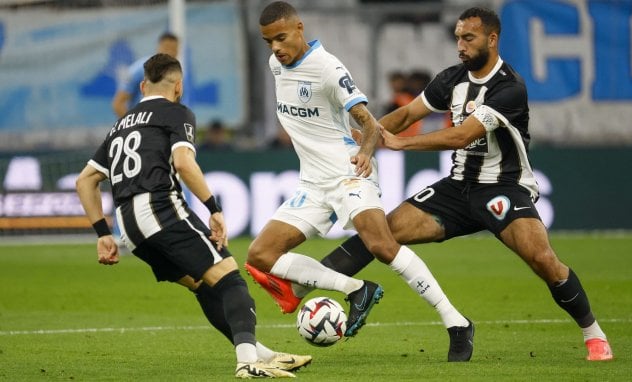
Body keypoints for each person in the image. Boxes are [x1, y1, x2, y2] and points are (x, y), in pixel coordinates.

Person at [308, 7, 615, 362]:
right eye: (457, 38)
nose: (461, 45)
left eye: (468, 38)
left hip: (503, 187)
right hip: (457, 189)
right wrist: (368, 138)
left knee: (543, 259)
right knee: (380, 233)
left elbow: (462, 135)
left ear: (492, 39)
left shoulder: (509, 88)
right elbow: (407, 114)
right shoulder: (452, 78)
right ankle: (305, 282)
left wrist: (401, 143)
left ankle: (594, 334)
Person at [244, 3, 473, 359]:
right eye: (268, 41)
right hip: (313, 183)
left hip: (349, 171)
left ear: (300, 29)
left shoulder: (328, 69)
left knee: (382, 245)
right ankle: (356, 289)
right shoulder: (277, 65)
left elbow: (368, 124)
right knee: (261, 254)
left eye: (281, 37)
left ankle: (456, 322)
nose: (275, 47)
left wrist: (366, 152)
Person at [76, 53, 310, 378]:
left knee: (204, 285)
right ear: (179, 86)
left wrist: (103, 232)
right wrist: (213, 207)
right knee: (231, 281)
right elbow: (184, 163)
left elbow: (85, 180)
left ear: (143, 86)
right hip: (159, 209)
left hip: (128, 226)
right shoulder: (176, 112)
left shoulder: (121, 124)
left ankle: (262, 354)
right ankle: (247, 363)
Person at [112, 32, 179, 118]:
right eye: (166, 48)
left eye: (174, 49)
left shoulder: (176, 75)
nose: (170, 52)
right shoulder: (140, 69)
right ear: (158, 47)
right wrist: (133, 127)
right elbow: (118, 104)